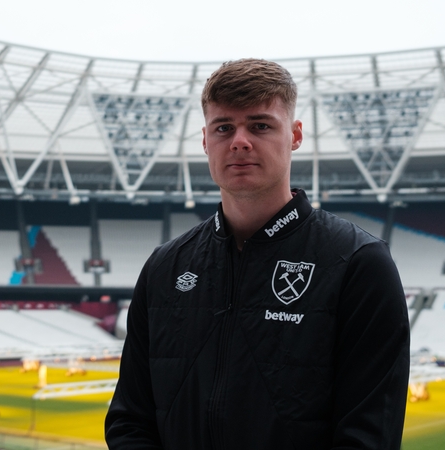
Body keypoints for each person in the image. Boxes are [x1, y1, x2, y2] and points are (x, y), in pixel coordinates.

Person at [105, 58, 410, 450]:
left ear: (295, 135)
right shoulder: (165, 267)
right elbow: (130, 419)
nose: (239, 141)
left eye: (260, 125)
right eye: (224, 128)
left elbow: (369, 435)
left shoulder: (359, 263)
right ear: (205, 140)